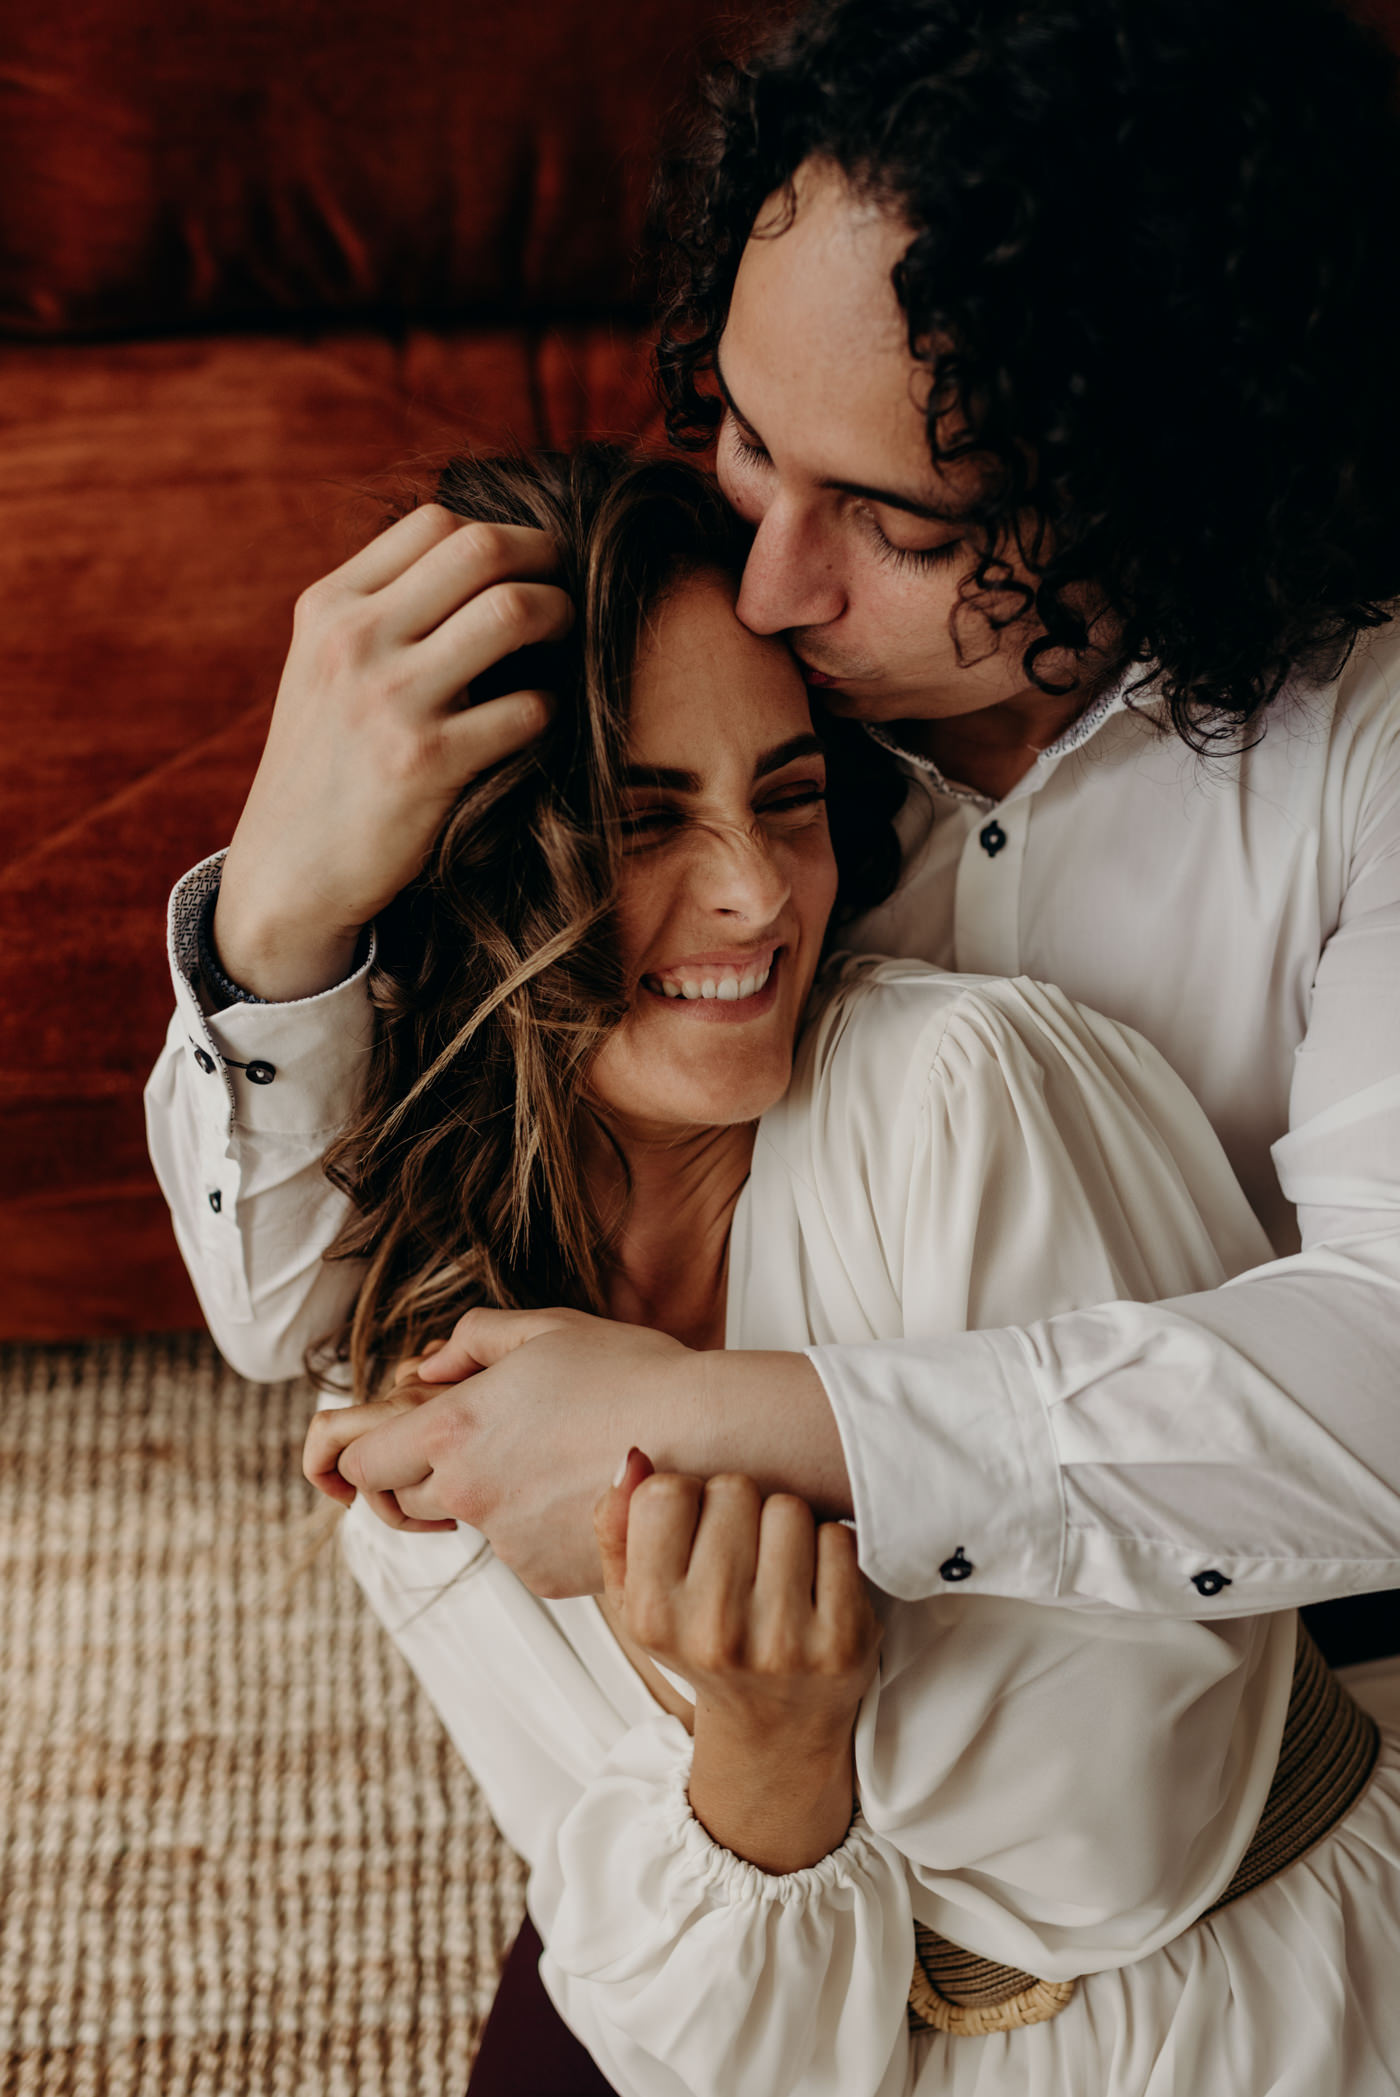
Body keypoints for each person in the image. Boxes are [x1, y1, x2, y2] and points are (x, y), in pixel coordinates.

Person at [145, 0, 1400, 1650]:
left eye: (892, 519)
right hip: (784, 1695)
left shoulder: (1367, 745)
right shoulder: (708, 680)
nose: (770, 582)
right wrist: (282, 928)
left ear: (1168, 487)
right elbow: (296, 1312)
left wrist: (720, 1413)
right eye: (744, 435)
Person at [165, 443, 1399, 2096]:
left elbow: (1111, 1851)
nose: (756, 893)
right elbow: (730, 2058)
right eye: (641, 819)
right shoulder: (430, 1382)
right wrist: (764, 1747)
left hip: (1250, 2013)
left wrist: (766, 1757)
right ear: (474, 865)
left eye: (793, 795)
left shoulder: (966, 1094)